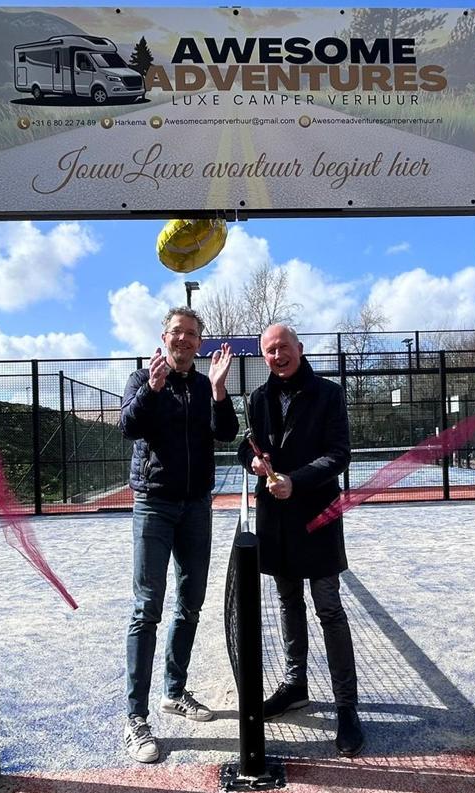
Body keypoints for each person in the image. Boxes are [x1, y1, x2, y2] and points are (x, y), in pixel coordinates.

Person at [236, 324, 365, 757]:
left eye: (283, 348)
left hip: (318, 518)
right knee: (288, 603)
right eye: (270, 351)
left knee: (329, 608)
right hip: (276, 521)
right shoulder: (258, 398)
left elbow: (338, 455)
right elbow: (246, 445)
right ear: (264, 357)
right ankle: (296, 686)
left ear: (299, 349)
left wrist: (297, 480)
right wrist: (254, 461)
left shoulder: (328, 394)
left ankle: (347, 707)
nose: (277, 356)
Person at [117, 307, 237, 763]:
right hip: (154, 504)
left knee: (190, 603)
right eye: (177, 332)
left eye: (191, 334)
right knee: (147, 608)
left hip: (197, 506)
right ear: (163, 337)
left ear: (199, 344)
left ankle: (175, 690)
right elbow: (128, 427)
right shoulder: (139, 379)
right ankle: (136, 717)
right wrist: (152, 389)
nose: (183, 340)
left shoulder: (205, 385)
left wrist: (221, 390)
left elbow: (225, 433)